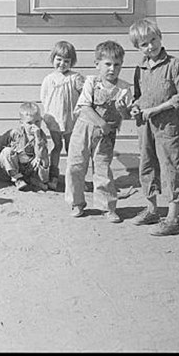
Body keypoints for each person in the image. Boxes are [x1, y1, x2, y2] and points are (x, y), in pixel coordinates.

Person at [128, 19, 179, 236]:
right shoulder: (140, 68)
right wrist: (134, 108)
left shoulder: (175, 65)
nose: (150, 46)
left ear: (159, 37)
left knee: (170, 167)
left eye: (153, 40)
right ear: (138, 47)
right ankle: (152, 209)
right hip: (144, 124)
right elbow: (138, 97)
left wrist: (155, 110)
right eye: (144, 44)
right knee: (147, 165)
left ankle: (173, 219)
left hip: (167, 125)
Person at [64, 41, 132, 223]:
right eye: (107, 64)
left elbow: (126, 115)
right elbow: (84, 107)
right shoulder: (91, 82)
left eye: (117, 65)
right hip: (84, 129)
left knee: (102, 169)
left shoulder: (124, 88)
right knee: (76, 166)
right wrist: (101, 123)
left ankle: (107, 207)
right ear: (97, 64)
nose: (112, 69)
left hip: (106, 136)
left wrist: (123, 110)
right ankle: (77, 203)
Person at [40, 41, 85, 190]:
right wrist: (48, 115)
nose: (62, 64)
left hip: (71, 119)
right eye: (59, 59)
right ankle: (54, 176)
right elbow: (44, 98)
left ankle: (76, 178)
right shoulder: (49, 79)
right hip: (55, 119)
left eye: (67, 61)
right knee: (57, 146)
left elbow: (84, 94)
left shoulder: (75, 77)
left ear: (72, 62)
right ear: (53, 59)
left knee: (72, 148)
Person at [0, 102, 52, 192]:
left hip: (26, 168)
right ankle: (18, 179)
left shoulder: (41, 135)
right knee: (7, 151)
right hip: (10, 169)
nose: (34, 126)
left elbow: (40, 155)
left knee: (43, 157)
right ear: (22, 123)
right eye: (29, 123)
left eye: (37, 122)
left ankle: (34, 180)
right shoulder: (15, 133)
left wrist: (38, 138)